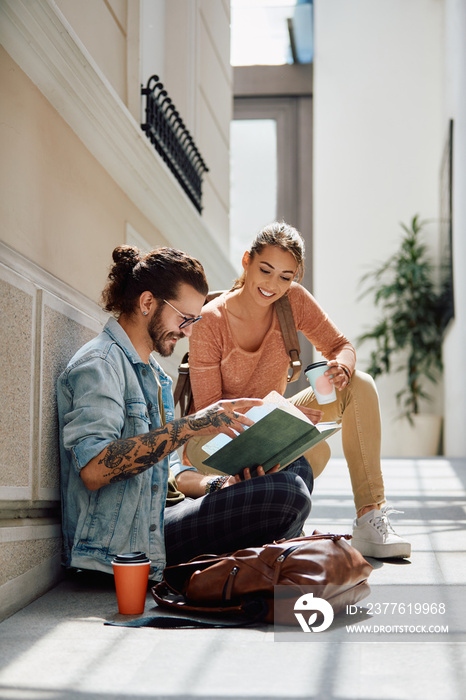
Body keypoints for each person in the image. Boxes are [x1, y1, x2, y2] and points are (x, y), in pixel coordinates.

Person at [57, 245, 313, 580]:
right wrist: (190, 426)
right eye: (185, 318)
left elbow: (169, 477)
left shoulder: (155, 377)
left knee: (294, 469)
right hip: (123, 548)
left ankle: (267, 562)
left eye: (194, 320)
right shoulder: (100, 365)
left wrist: (221, 484)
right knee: (288, 493)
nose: (189, 331)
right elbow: (94, 469)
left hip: (161, 518)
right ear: (147, 303)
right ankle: (273, 561)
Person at [184, 222, 411, 560]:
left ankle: (369, 517)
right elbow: (210, 411)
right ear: (247, 261)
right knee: (232, 434)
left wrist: (341, 367)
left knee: (360, 383)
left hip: (276, 428)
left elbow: (340, 345)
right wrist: (279, 415)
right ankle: (283, 521)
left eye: (286, 277)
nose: (273, 285)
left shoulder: (293, 303)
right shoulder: (209, 322)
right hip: (216, 444)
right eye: (265, 270)